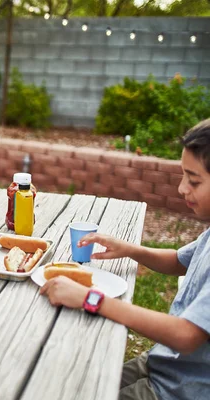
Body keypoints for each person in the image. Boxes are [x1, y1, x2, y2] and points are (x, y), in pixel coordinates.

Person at [40, 119, 210, 400]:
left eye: (193, 181)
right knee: (71, 383)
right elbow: (181, 261)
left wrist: (89, 298)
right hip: (164, 362)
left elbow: (186, 335)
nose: (181, 189)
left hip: (180, 390)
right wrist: (131, 249)